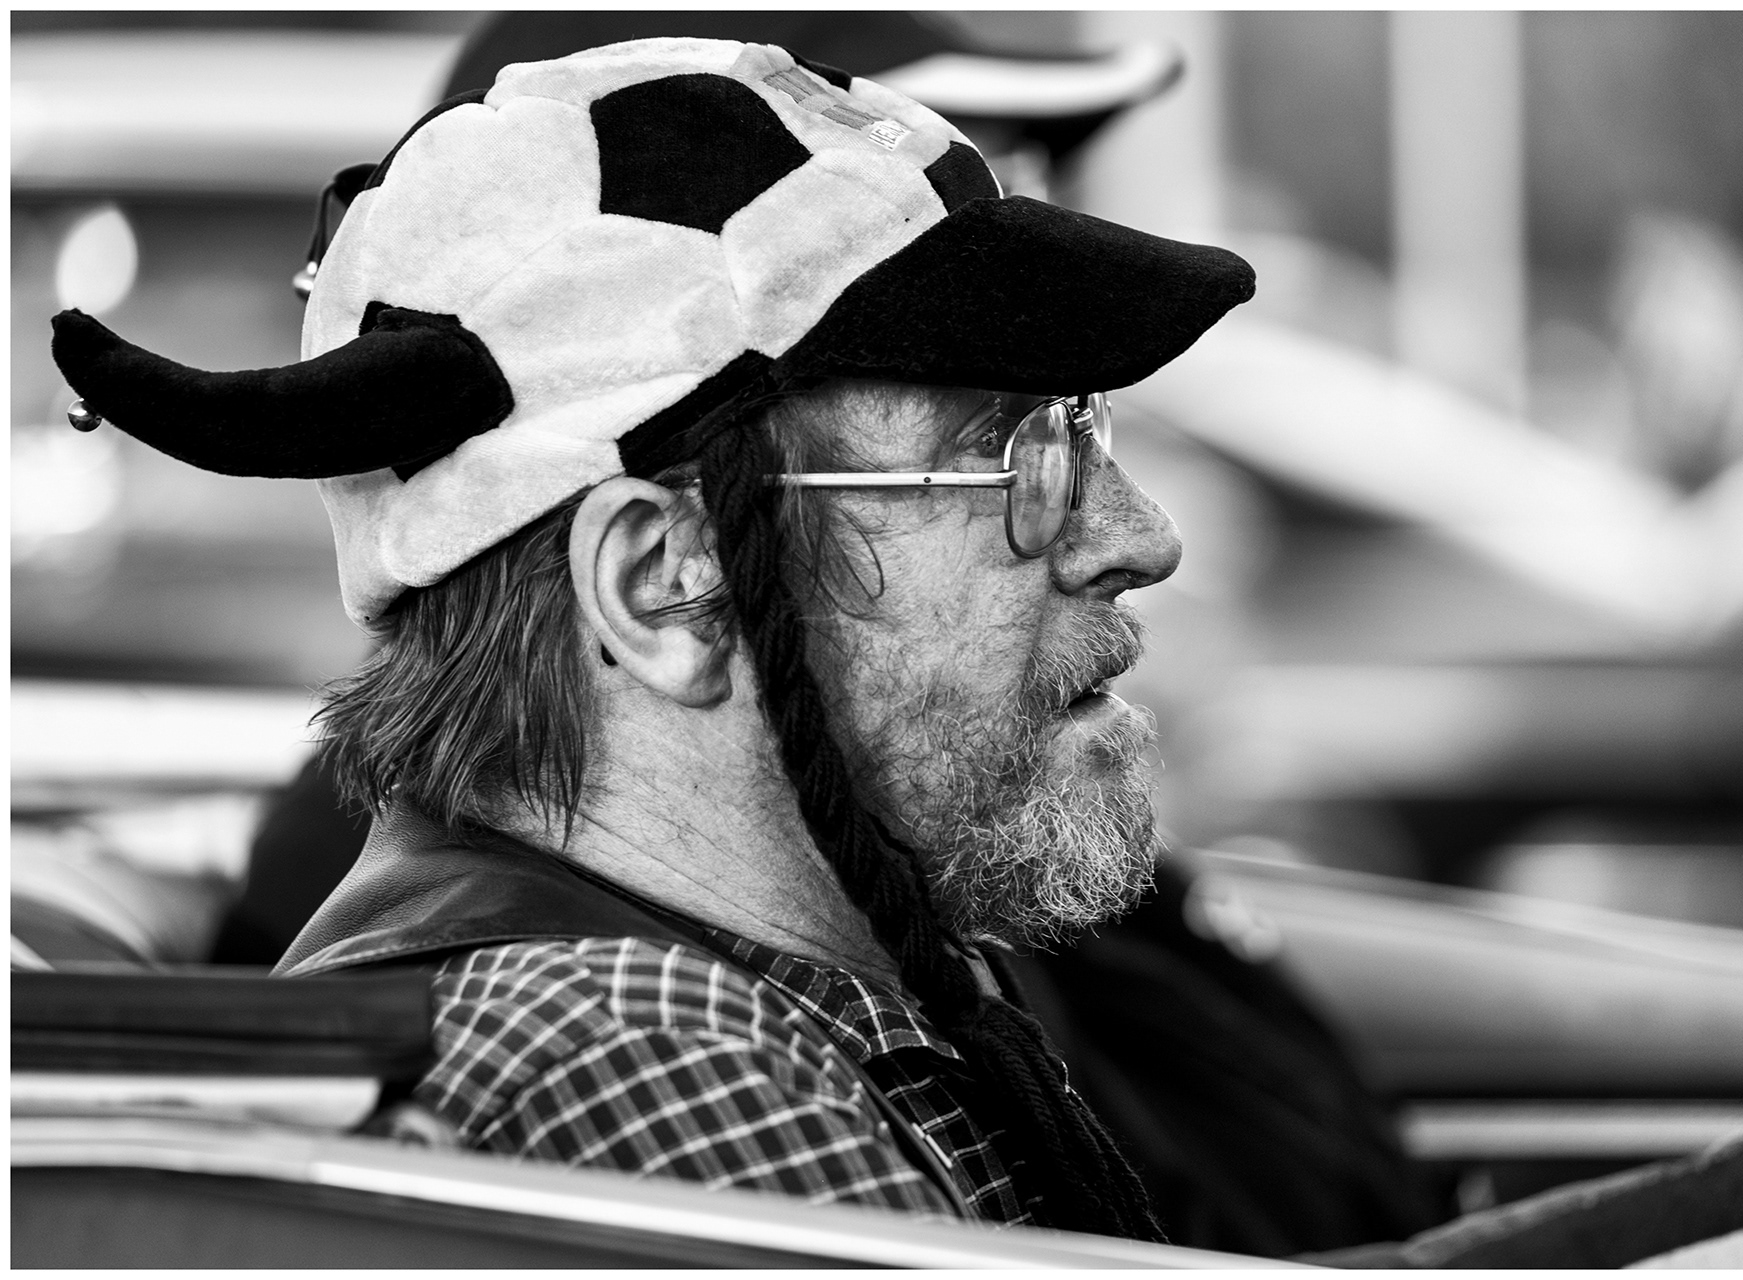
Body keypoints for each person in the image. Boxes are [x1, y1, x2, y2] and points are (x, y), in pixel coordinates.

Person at [53, 37, 1253, 1238]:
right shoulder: (629, 1056)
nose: (1139, 537)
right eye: (1017, 454)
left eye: (1085, 427)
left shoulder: (775, 998)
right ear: (666, 583)